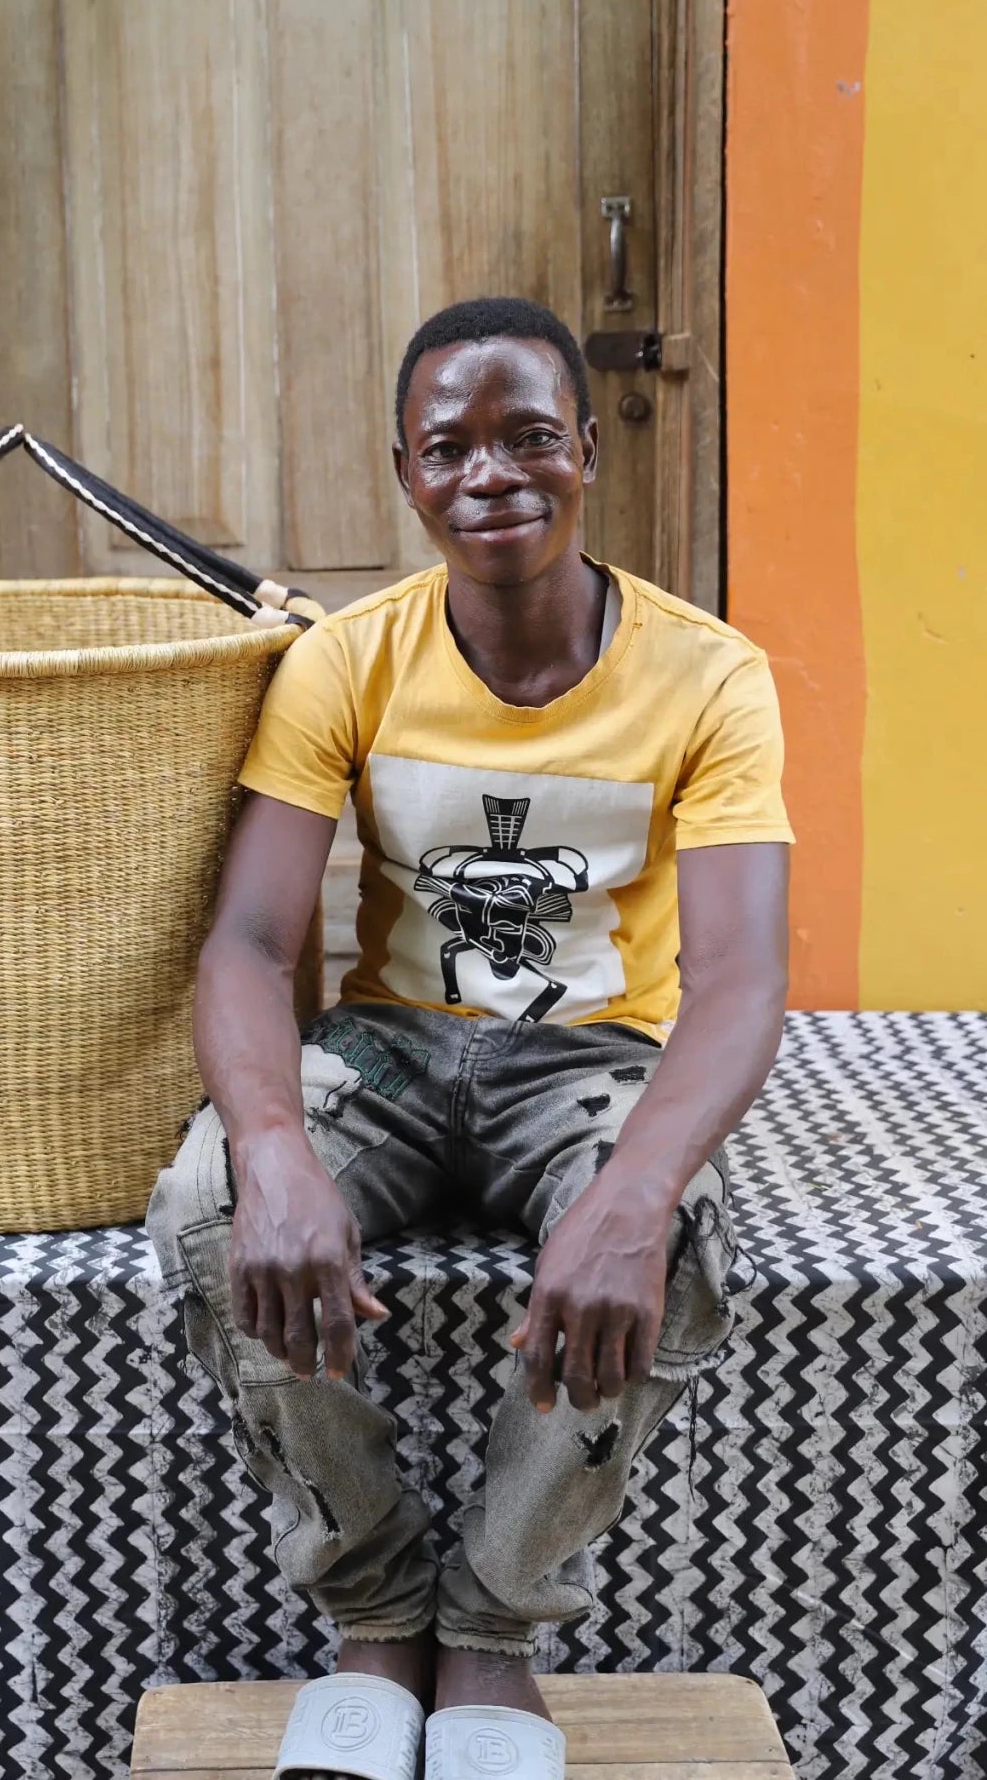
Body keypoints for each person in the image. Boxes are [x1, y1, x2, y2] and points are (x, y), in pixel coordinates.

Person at [146, 296, 793, 1780]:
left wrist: (629, 1196)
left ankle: (491, 1632)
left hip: (586, 1063)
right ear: (405, 474)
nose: (490, 472)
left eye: (525, 437)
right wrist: (271, 1147)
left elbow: (744, 976)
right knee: (208, 1204)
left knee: (675, 1236)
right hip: (381, 1048)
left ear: (582, 453)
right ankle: (376, 1618)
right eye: (450, 447)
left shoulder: (707, 676)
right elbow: (247, 942)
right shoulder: (345, 661)